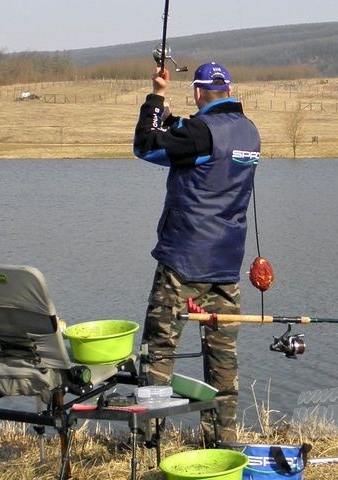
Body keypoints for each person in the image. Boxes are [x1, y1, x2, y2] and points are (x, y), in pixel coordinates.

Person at [133, 61, 261, 445]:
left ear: (197, 92)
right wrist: (175, 124)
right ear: (229, 90)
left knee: (158, 352)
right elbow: (199, 149)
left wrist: (156, 96)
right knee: (223, 359)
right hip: (226, 264)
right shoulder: (250, 131)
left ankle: (149, 441)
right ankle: (222, 439)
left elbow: (147, 147)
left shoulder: (200, 132)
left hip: (184, 262)